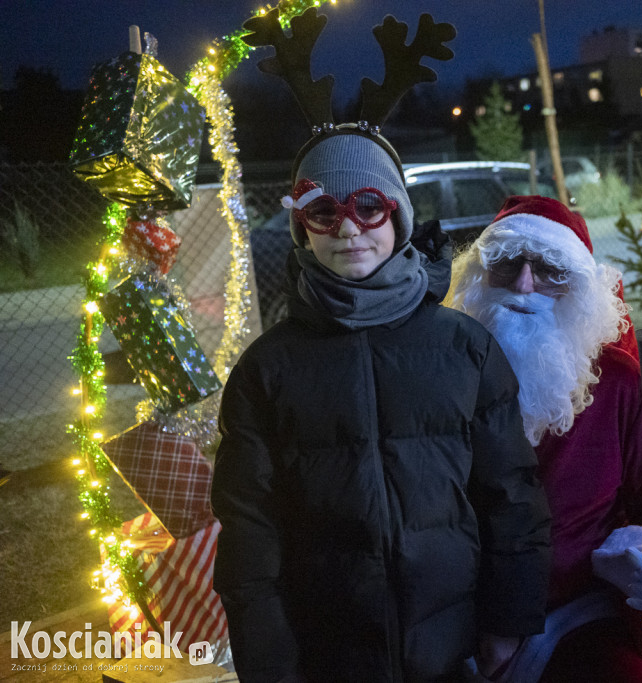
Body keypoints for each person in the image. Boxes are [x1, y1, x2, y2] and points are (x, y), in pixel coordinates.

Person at [211, 128, 552, 682]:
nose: (347, 228)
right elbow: (250, 531)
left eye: (368, 207)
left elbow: (510, 493)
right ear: (302, 227)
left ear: (398, 218)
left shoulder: (463, 348)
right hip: (326, 651)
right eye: (323, 211)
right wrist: (270, 663)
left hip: (450, 645)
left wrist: (506, 621)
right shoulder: (266, 372)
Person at [446, 195, 642, 682]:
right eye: (507, 265)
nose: (525, 285)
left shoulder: (619, 382)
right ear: (480, 277)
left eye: (549, 268)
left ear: (579, 289)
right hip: (458, 614)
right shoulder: (444, 371)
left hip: (579, 614)